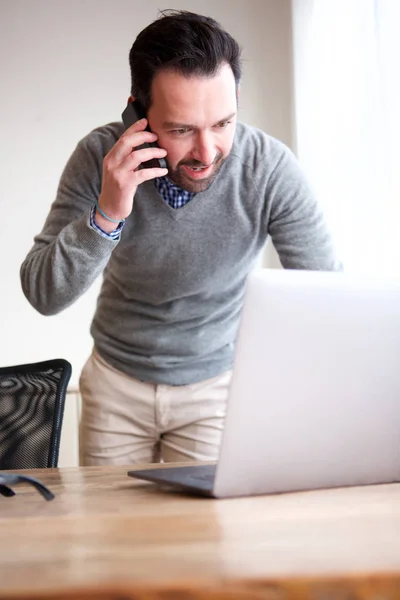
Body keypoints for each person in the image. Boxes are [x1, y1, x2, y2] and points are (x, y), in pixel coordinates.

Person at [20, 10, 341, 466]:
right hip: (116, 386)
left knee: (204, 536)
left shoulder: (268, 168)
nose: (207, 152)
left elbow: (328, 295)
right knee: (115, 535)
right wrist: (109, 211)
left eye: (223, 123)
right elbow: (43, 295)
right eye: (182, 129)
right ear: (137, 112)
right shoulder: (99, 157)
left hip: (215, 389)